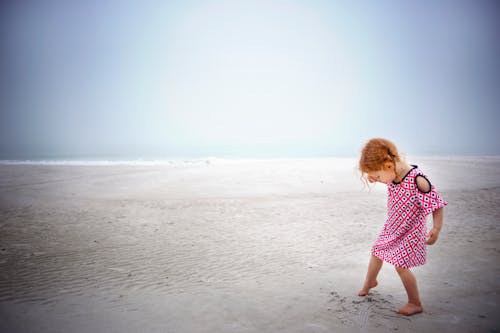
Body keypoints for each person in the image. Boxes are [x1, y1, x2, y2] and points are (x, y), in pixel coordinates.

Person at [357, 138, 447, 316]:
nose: (376, 180)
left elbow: (437, 204)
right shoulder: (392, 173)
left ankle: (415, 303)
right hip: (392, 226)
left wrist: (436, 229)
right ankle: (370, 281)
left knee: (401, 265)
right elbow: (381, 175)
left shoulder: (418, 180)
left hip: (410, 231)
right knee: (377, 251)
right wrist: (373, 174)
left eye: (377, 176)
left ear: (389, 165)